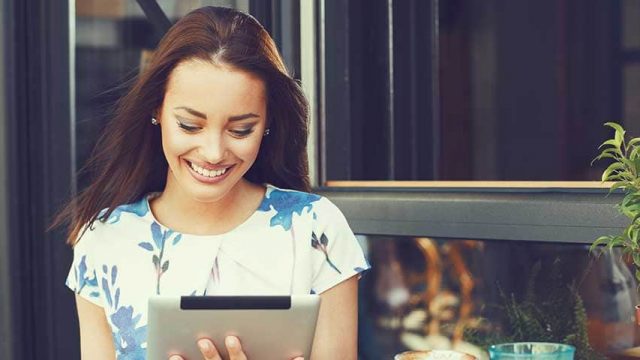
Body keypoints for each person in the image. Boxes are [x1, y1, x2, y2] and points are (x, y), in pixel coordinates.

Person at [54, 6, 369, 360]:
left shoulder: (316, 229)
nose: (214, 152)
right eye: (190, 125)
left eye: (240, 129)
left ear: (267, 123)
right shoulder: (105, 239)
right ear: (156, 109)